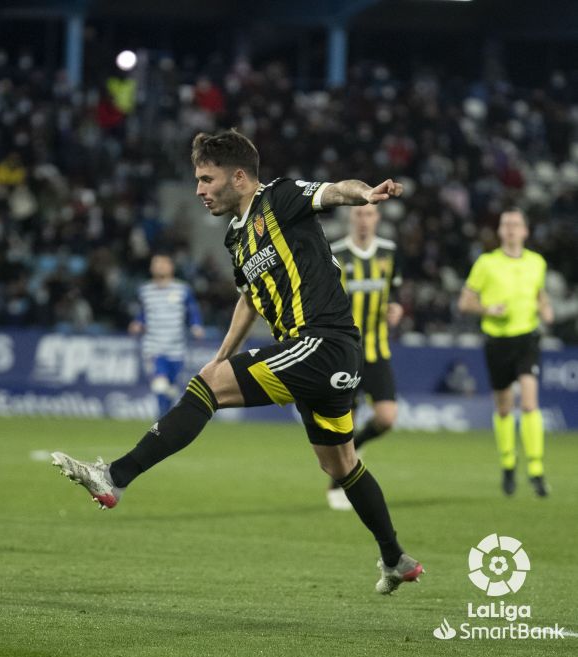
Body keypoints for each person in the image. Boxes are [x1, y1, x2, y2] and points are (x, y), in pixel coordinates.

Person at [52, 129, 423, 595]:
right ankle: (394, 558)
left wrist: (364, 193)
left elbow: (334, 191)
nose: (199, 190)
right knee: (340, 465)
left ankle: (116, 477)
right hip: (318, 357)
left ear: (241, 177)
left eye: (207, 179)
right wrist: (220, 357)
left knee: (207, 390)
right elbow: (249, 299)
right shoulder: (235, 238)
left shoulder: (281, 198)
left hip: (321, 342)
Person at [458, 208, 553, 497]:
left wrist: (545, 308)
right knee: (503, 408)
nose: (511, 229)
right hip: (497, 341)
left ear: (525, 231)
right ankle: (508, 465)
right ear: (500, 231)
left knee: (528, 403)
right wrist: (487, 309)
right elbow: (465, 302)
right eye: (506, 224)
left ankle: (536, 471)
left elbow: (539, 292)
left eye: (516, 224)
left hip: (527, 339)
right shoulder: (487, 263)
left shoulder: (537, 262)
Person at [325, 204, 402, 511]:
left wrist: (396, 309)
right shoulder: (337, 253)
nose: (364, 219)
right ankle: (336, 484)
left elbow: (393, 294)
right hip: (345, 353)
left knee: (387, 418)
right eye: (358, 214)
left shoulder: (389, 252)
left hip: (377, 351)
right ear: (350, 218)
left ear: (377, 219)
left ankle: (357, 447)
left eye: (369, 214)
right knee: (345, 427)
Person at [129, 254, 205, 416]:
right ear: (151, 268)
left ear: (171, 267)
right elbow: (143, 312)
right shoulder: (145, 291)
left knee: (171, 388)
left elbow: (192, 310)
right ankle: (161, 421)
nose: (159, 267)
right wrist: (138, 323)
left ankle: (165, 417)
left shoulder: (182, 290)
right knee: (160, 383)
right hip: (154, 346)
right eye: (156, 264)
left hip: (176, 347)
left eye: (163, 264)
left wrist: (196, 325)